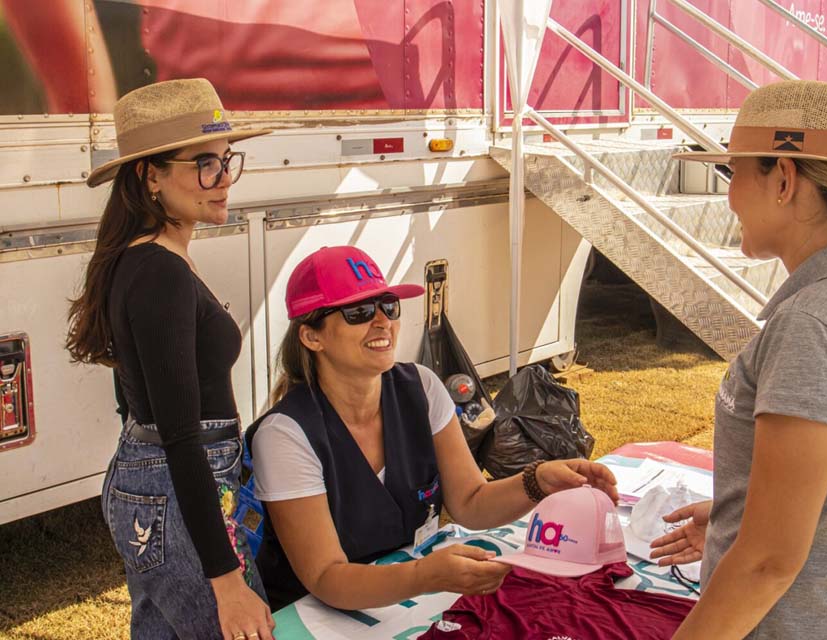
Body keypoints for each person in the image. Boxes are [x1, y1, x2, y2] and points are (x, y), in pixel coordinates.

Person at [648, 80, 827, 639]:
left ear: (782, 179)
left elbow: (767, 563)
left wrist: (754, 540)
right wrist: (739, 517)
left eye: (735, 172)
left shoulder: (814, 322)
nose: (729, 195)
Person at [246, 245, 620, 611]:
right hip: (315, 618)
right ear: (312, 337)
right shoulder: (285, 435)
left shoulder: (421, 387)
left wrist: (538, 481)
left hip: (400, 606)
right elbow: (326, 577)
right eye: (359, 312)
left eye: (388, 306)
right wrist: (425, 576)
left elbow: (471, 501)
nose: (382, 322)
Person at [65, 78, 274, 640]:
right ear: (150, 175)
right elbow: (180, 436)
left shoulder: (148, 261)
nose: (223, 179)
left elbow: (134, 400)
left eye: (227, 160)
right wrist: (226, 582)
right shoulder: (157, 270)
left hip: (160, 484)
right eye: (204, 164)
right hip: (177, 484)